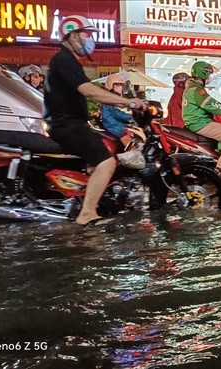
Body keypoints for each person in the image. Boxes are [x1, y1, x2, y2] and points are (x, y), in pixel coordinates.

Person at [43, 15, 146, 226]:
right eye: (86, 34)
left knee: (100, 156)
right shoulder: (63, 59)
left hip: (72, 123)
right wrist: (131, 103)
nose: (90, 39)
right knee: (107, 162)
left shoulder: (68, 60)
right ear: (71, 35)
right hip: (67, 125)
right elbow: (90, 91)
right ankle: (87, 213)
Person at [100, 74, 133, 147]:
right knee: (128, 142)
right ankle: (134, 158)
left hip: (115, 123)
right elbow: (117, 114)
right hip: (112, 125)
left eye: (121, 85)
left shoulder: (114, 98)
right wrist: (129, 117)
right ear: (110, 86)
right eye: (117, 85)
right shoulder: (109, 99)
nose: (119, 87)